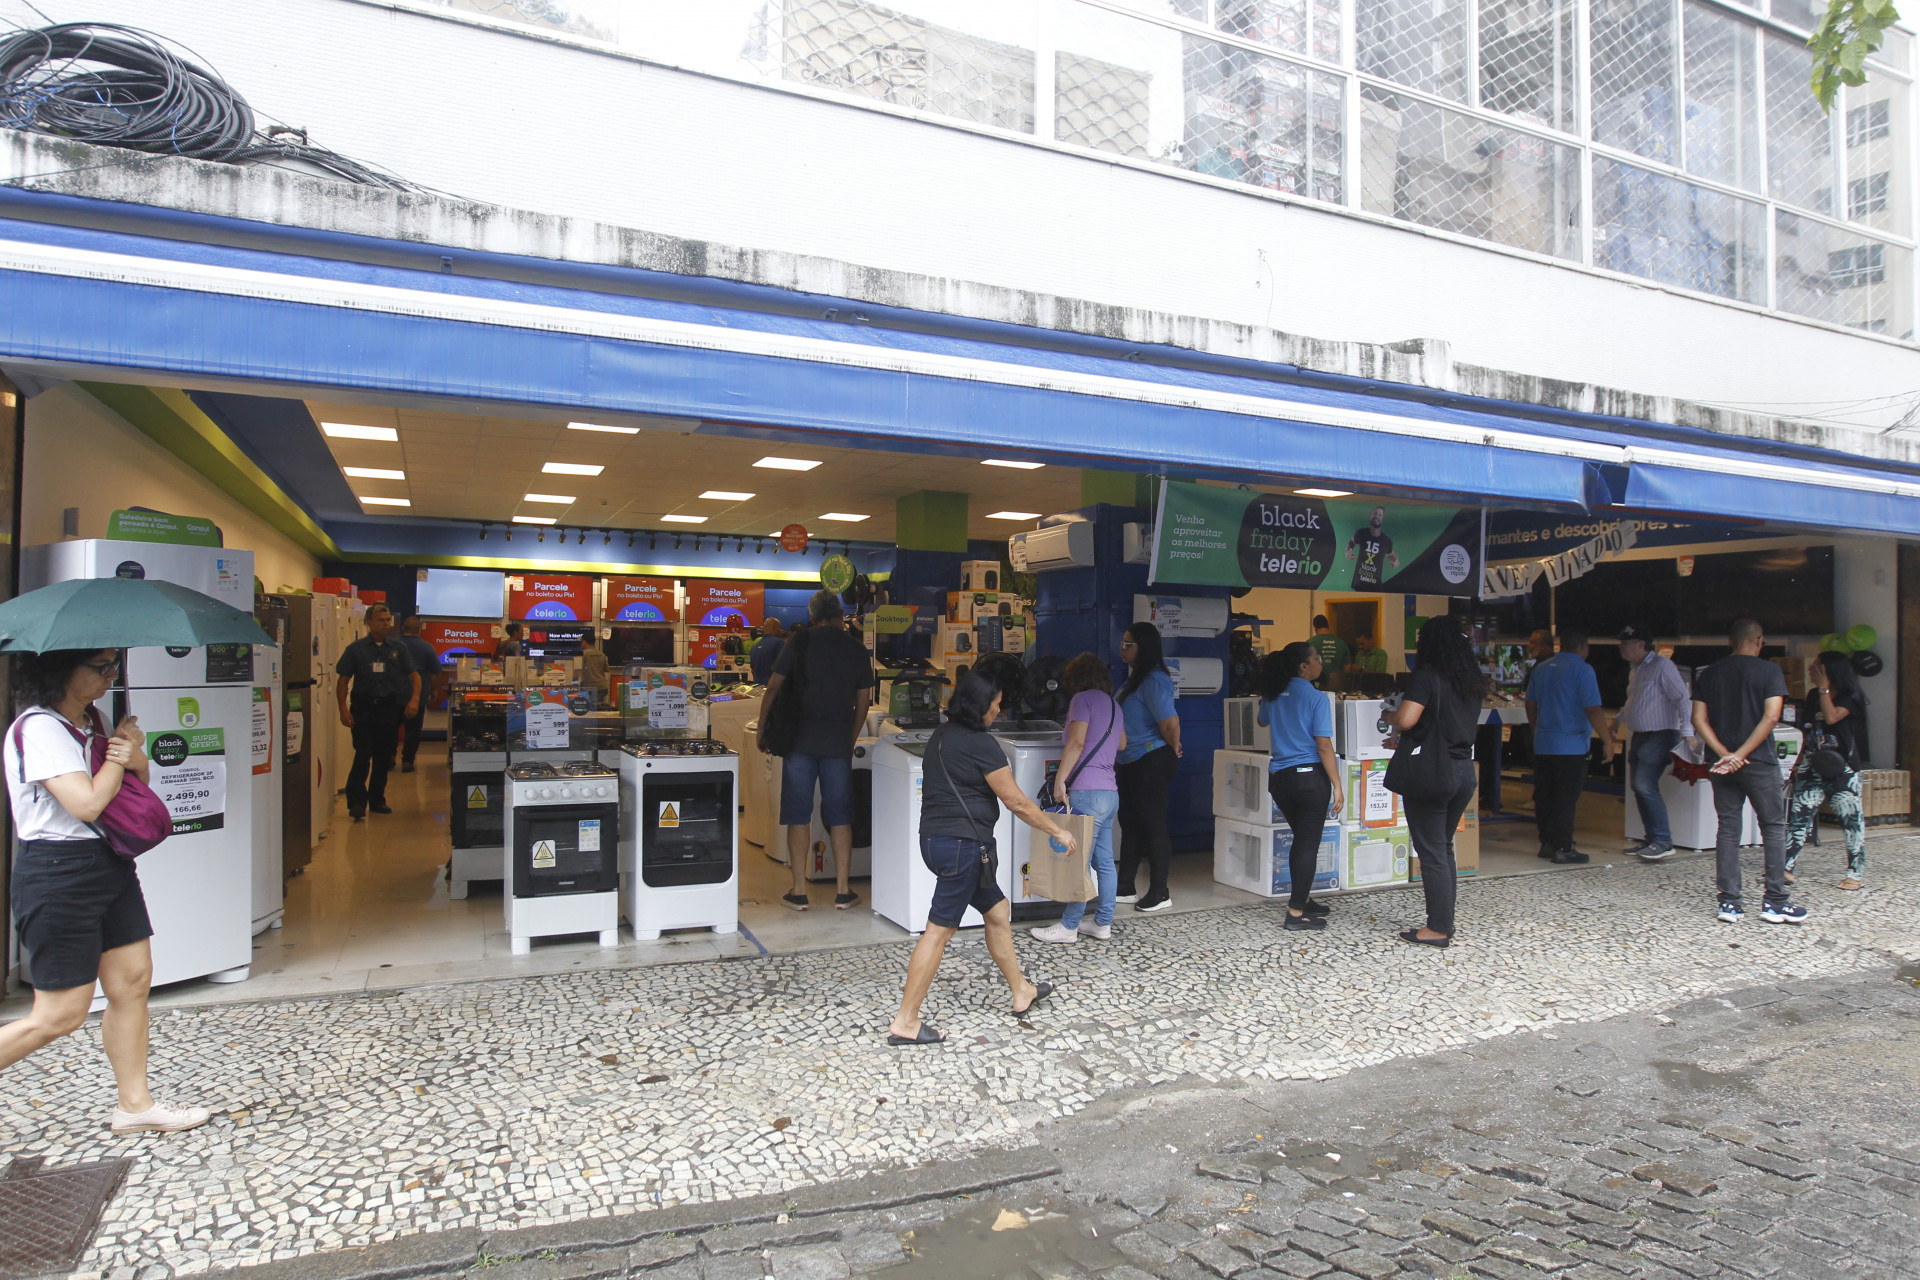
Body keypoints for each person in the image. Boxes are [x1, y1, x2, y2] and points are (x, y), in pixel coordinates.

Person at [0, 648, 210, 1134]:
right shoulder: (40, 728)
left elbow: (130, 787)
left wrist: (134, 758)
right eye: (100, 668)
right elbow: (88, 803)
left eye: (113, 666)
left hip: (107, 865)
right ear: (60, 670)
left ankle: (134, 1106)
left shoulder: (91, 720)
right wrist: (119, 757)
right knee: (59, 1015)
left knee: (132, 982)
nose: (110, 676)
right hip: (58, 872)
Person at [886, 668, 1073, 1045]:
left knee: (997, 912)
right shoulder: (982, 744)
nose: (998, 712)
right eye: (996, 705)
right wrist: (1057, 829)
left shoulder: (940, 736)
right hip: (965, 847)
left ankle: (1021, 990)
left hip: (936, 842)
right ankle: (906, 1021)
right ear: (980, 704)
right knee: (939, 931)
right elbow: (1017, 800)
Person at [758, 591, 873, 911]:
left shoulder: (800, 641)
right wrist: (849, 739)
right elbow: (863, 703)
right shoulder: (856, 648)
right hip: (836, 742)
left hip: (798, 741)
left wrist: (764, 726)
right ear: (840, 614)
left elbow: (773, 687)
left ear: (813, 615)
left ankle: (798, 891)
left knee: (798, 815)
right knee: (840, 817)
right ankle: (842, 891)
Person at [1692, 619, 1804, 925]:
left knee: (1728, 829)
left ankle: (1729, 903)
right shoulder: (1770, 672)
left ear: (1730, 641)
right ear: (1759, 641)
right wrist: (1741, 754)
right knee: (1773, 827)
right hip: (1760, 762)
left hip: (1721, 764)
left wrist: (1724, 754)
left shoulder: (1710, 673)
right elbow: (1771, 717)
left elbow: (1698, 720)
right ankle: (1776, 901)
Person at [1388, 617, 1483, 948]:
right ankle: (1445, 921)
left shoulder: (1427, 676)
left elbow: (1407, 718)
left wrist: (1391, 718)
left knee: (1431, 851)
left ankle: (1438, 928)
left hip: (1432, 773)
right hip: (1462, 771)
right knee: (1442, 848)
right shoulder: (1470, 681)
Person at [1029, 654, 1124, 945]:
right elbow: (1122, 743)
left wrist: (1060, 780)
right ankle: (1102, 923)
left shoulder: (1082, 700)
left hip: (1087, 791)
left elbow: (1077, 742)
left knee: (1078, 861)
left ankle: (1069, 927)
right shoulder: (1113, 704)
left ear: (1076, 678)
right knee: (1104, 862)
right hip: (1109, 792)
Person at [1255, 642, 1344, 930]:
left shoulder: (1273, 694)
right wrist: (1337, 785)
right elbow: (1324, 746)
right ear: (1304, 667)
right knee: (1307, 843)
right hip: (1309, 779)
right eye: (1317, 658)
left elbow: (1262, 720)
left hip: (1280, 779)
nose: (1321, 664)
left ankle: (1303, 899)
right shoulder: (1317, 699)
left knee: (1302, 839)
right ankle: (1295, 914)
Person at [1524, 626, 1613, 864]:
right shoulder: (1583, 670)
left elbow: (1530, 703)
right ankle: (1564, 847)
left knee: (1544, 795)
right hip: (1571, 745)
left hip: (1543, 743)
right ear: (1583, 647)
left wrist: (1536, 729)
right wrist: (1607, 740)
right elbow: (1593, 708)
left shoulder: (1540, 669)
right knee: (1565, 798)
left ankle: (1547, 843)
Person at [1785, 651, 1869, 892]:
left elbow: (1832, 717)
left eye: (1817, 668)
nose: (1811, 672)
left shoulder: (1850, 697)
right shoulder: (1812, 696)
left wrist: (1824, 689)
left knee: (1851, 819)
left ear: (1829, 671)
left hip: (1842, 766)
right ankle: (1787, 867)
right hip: (1814, 763)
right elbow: (1808, 729)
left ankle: (1855, 872)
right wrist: (1799, 761)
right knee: (1799, 816)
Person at [1114, 622, 1181, 913]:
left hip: (1150, 759)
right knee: (1130, 823)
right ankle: (1125, 885)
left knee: (1153, 824)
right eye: (1124, 642)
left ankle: (1159, 891)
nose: (1123, 648)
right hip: (1129, 761)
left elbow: (1169, 723)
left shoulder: (1155, 680)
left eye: (1129, 644)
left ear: (1144, 647)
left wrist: (1174, 746)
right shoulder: (1133, 680)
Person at [1613, 624, 1691, 861]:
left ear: (1640, 645)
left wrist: (1687, 731)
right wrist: (1618, 720)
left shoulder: (1662, 666)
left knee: (1645, 785)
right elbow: (1634, 700)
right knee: (1638, 787)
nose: (1621, 648)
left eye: (1625, 644)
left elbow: (1682, 698)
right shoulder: (1635, 669)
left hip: (1660, 734)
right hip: (1640, 734)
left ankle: (1663, 840)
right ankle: (1652, 839)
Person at [336, 603, 420, 821]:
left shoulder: (398, 648)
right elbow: (343, 680)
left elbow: (414, 676)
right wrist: (343, 709)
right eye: (381, 620)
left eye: (387, 620)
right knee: (363, 755)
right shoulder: (356, 649)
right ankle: (356, 802)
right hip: (363, 708)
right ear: (369, 623)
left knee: (383, 757)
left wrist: (414, 700)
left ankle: (377, 799)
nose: (385, 624)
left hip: (389, 708)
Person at [395, 615, 440, 773]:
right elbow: (434, 673)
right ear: (419, 630)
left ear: (402, 628)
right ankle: (408, 761)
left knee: (390, 729)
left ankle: (388, 759)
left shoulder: (393, 645)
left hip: (392, 695)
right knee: (413, 730)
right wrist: (433, 691)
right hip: (416, 695)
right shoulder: (427, 647)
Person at [1345, 506, 1399, 588]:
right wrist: (1348, 550)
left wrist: (1395, 561)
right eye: (1375, 513)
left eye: (1380, 515)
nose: (1377, 516)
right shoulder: (1361, 533)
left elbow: (1391, 554)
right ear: (1370, 516)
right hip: (1359, 583)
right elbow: (1352, 541)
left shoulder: (1386, 541)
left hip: (1375, 586)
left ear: (1382, 520)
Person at [1308, 616, 1349, 683]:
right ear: (1328, 626)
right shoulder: (1341, 643)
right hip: (1337, 685)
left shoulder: (1310, 643)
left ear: (1315, 628)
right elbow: (1347, 669)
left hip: (1316, 686)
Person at [749, 618, 787, 684]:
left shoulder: (755, 646)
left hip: (758, 688)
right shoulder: (779, 643)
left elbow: (753, 671)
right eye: (780, 627)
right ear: (775, 628)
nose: (781, 630)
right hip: (773, 688)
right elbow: (784, 666)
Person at [578, 629, 610, 698]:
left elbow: (577, 670)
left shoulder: (583, 654)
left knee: (588, 706)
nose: (581, 643)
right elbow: (607, 669)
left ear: (585, 642)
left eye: (581, 641)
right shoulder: (602, 654)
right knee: (598, 706)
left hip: (590, 687)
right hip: (603, 686)